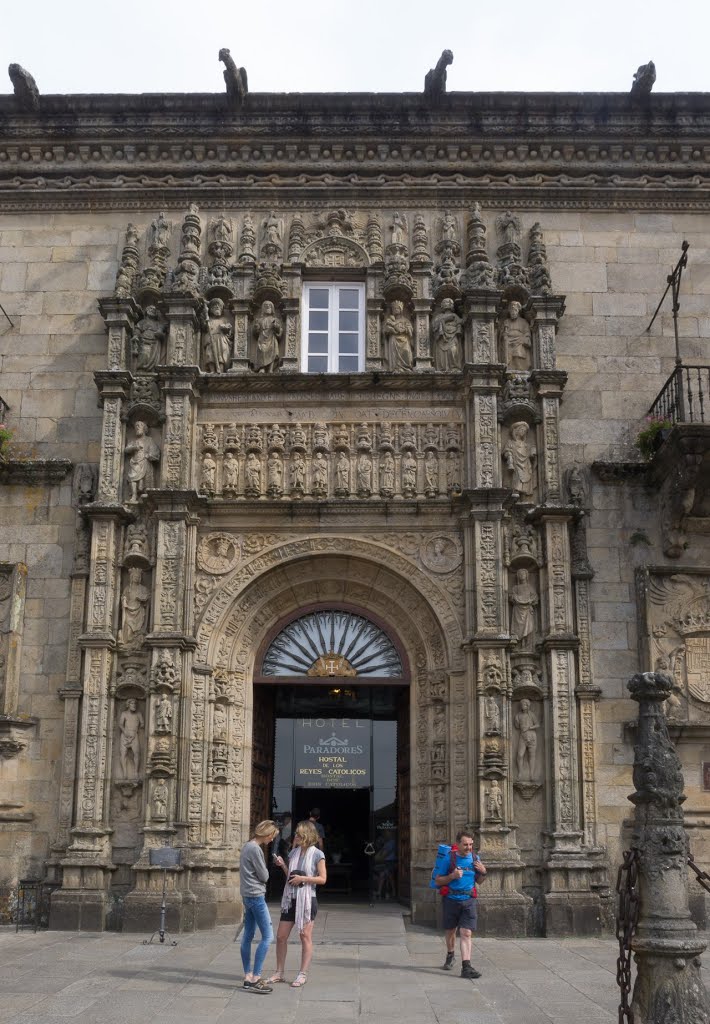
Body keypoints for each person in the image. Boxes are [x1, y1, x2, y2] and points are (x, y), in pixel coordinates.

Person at [270, 820, 327, 988]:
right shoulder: (293, 853)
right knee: (281, 936)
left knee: (305, 936)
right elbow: (291, 877)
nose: (295, 836)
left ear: (306, 835)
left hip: (307, 900)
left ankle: (302, 973)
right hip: (291, 899)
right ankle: (279, 972)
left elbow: (323, 879)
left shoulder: (317, 854)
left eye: (298, 834)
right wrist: (282, 866)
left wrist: (304, 879)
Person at [435, 829, 487, 980]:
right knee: (451, 931)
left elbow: (479, 881)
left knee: (466, 933)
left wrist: (483, 872)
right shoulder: (449, 859)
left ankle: (466, 966)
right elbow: (438, 880)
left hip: (468, 900)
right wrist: (452, 876)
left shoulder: (475, 858)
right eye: (465, 845)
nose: (469, 848)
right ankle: (450, 954)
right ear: (458, 844)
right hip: (451, 899)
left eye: (471, 844)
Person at [239, 820, 280, 995]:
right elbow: (264, 876)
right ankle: (256, 977)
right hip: (256, 895)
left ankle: (247, 975)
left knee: (248, 935)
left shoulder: (246, 846)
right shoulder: (255, 848)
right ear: (267, 834)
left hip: (247, 895)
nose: (272, 840)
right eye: (272, 836)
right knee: (268, 936)